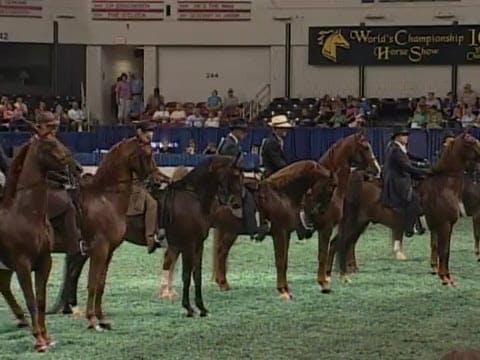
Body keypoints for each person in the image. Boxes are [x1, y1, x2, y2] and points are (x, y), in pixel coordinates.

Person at [34, 111, 84, 255]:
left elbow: (67, 159)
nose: (53, 130)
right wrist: (61, 177)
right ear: (40, 127)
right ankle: (74, 244)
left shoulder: (52, 142)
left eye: (54, 127)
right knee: (68, 206)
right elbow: (47, 168)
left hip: (54, 184)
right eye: (49, 127)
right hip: (42, 187)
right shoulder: (39, 145)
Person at [217, 118, 268, 240]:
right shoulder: (230, 145)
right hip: (228, 179)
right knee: (248, 197)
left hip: (231, 176)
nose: (244, 134)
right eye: (243, 131)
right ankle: (252, 229)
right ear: (236, 131)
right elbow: (234, 163)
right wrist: (253, 168)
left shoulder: (229, 142)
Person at [380, 127, 432, 238]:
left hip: (402, 174)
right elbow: (407, 166)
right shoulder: (395, 150)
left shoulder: (400, 147)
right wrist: (425, 171)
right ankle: (409, 227)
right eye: (404, 135)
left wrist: (421, 162)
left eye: (406, 135)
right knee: (414, 198)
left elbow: (409, 157)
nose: (406, 137)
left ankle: (418, 223)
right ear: (397, 137)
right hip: (397, 178)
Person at [129, 120, 170, 254]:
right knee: (152, 204)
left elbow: (154, 170)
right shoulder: (134, 147)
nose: (151, 134)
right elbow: (142, 170)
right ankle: (150, 238)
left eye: (152, 131)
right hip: (134, 183)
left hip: (145, 182)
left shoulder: (147, 147)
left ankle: (161, 229)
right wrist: (152, 177)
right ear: (139, 132)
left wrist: (167, 179)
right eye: (148, 131)